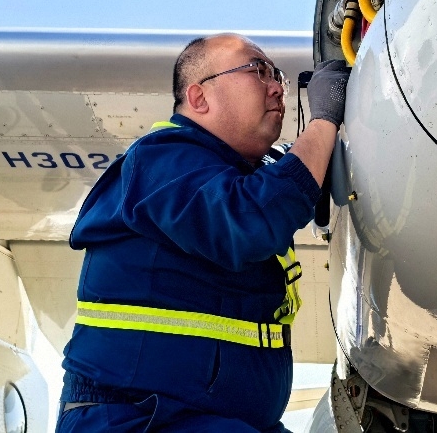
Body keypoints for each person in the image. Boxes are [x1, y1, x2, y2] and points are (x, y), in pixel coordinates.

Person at [57, 33, 350, 433]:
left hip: (209, 421)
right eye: (258, 70)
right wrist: (324, 121)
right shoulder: (161, 158)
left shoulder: (231, 177)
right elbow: (249, 221)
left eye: (276, 75)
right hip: (137, 419)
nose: (277, 87)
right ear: (198, 98)